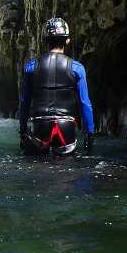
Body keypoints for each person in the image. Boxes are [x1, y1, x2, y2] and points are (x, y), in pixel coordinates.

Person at [19, 17, 95, 156]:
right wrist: (89, 133)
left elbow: (24, 102)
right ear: (67, 40)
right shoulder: (77, 68)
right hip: (66, 125)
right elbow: (85, 103)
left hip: (40, 125)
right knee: (65, 167)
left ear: (45, 40)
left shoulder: (31, 67)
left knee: (36, 165)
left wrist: (23, 129)